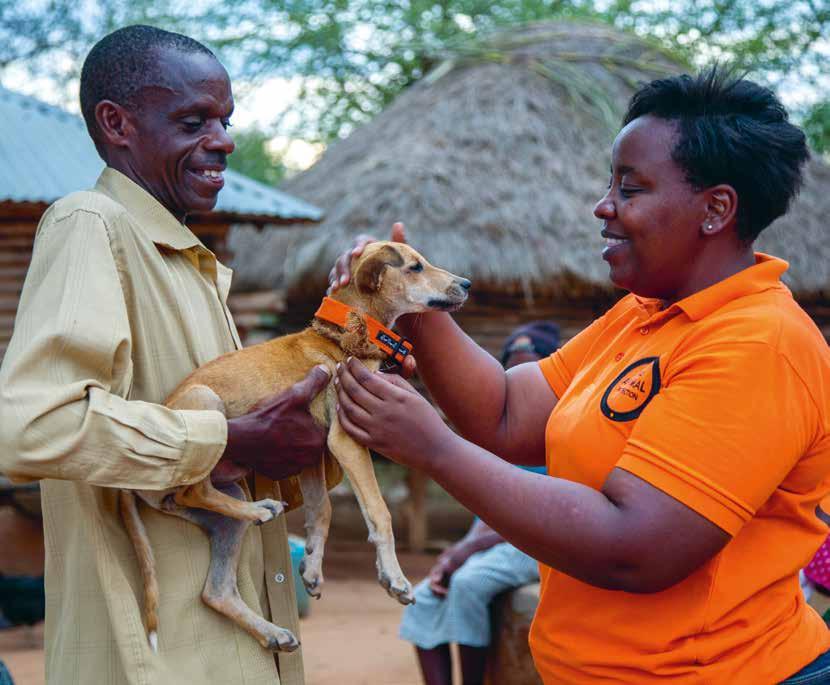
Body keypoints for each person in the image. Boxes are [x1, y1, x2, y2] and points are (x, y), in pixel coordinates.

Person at [331, 67, 830, 684]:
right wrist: (413, 299)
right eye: (609, 182)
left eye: (632, 188)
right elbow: (507, 415)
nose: (603, 205)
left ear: (716, 209)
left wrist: (435, 449)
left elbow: (635, 547)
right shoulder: (645, 315)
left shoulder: (760, 344)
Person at [0, 25, 328, 685]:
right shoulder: (89, 224)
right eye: (193, 120)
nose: (224, 139)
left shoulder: (187, 265)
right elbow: (31, 424)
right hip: (161, 659)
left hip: (232, 652)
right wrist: (224, 438)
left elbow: (245, 462)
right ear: (117, 123)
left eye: (225, 120)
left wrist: (323, 421)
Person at [399, 322, 560, 685]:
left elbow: (536, 514)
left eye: (532, 366)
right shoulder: (498, 430)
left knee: (469, 583)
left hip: (538, 541)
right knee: (424, 597)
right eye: (512, 368)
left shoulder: (559, 429)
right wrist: (459, 551)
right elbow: (488, 514)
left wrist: (465, 552)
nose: (521, 377)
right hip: (496, 537)